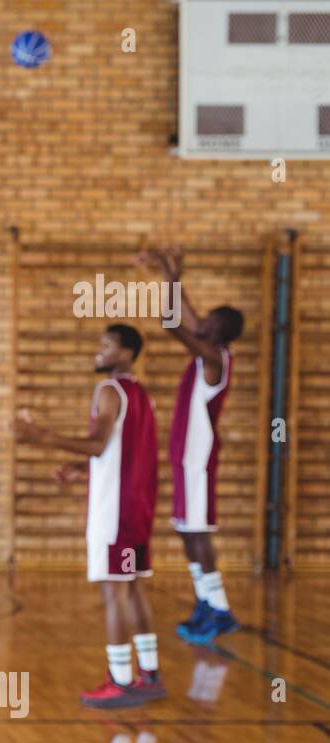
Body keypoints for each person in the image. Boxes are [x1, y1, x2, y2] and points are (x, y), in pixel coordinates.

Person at [14, 323, 165, 709]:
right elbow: (116, 450)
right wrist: (82, 467)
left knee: (113, 590)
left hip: (114, 512)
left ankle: (120, 681)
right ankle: (149, 674)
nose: (99, 351)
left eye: (107, 345)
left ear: (128, 353)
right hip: (137, 508)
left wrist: (40, 436)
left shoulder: (110, 390)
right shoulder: (139, 393)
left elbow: (99, 445)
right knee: (131, 587)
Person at [135, 247, 244, 643]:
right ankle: (206, 601)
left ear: (219, 332)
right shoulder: (210, 351)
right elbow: (188, 316)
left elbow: (171, 324)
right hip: (187, 459)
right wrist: (171, 272)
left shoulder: (214, 358)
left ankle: (220, 609)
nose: (202, 321)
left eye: (210, 321)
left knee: (198, 534)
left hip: (197, 460)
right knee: (186, 531)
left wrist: (170, 281)